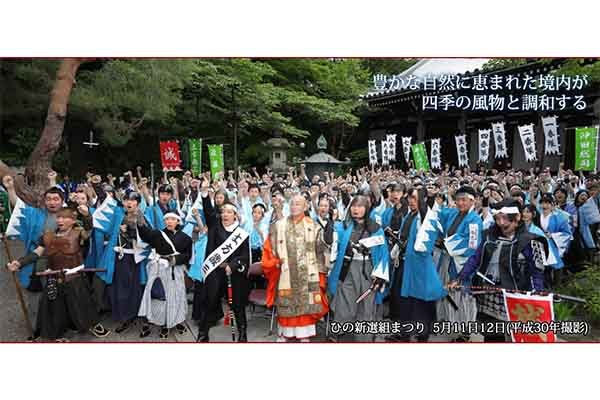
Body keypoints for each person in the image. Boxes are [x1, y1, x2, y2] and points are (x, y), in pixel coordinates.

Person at [449, 199, 547, 342]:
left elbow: (537, 272)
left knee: (516, 336)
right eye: (498, 218)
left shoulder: (531, 241)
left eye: (505, 219)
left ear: (517, 218)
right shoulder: (489, 236)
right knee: (491, 334)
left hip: (515, 295)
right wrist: (460, 277)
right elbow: (475, 259)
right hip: (489, 292)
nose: (501, 223)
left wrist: (536, 294)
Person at [6, 207, 110, 341]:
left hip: (75, 277)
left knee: (82, 304)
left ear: (72, 221)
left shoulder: (78, 234)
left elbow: (88, 231)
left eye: (65, 217)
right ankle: (56, 333)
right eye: (59, 217)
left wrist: (87, 216)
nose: (60, 220)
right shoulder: (48, 236)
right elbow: (37, 252)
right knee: (55, 308)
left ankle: (91, 324)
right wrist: (19, 263)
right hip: (54, 278)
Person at [262, 194, 329, 342]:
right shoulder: (279, 225)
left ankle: (304, 334)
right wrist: (274, 262)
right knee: (286, 302)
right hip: (285, 272)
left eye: (298, 204)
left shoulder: (314, 226)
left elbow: (320, 250)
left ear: (305, 207)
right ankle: (285, 333)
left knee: (306, 303)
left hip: (307, 272)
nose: (294, 207)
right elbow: (270, 247)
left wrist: (321, 271)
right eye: (292, 204)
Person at [194, 179, 251, 342]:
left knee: (238, 306)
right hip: (215, 272)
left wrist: (232, 265)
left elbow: (245, 257)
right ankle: (203, 333)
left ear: (235, 215)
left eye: (229, 212)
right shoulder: (215, 227)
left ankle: (242, 333)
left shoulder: (241, 234)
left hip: (233, 274)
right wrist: (205, 193)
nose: (225, 214)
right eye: (223, 211)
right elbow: (208, 212)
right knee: (209, 302)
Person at [387, 188, 446, 342]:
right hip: (404, 263)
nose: (411, 201)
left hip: (419, 266)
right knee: (403, 300)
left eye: (414, 198)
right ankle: (405, 332)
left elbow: (425, 242)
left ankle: (422, 334)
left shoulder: (427, 217)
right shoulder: (409, 215)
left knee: (420, 302)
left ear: (423, 199)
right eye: (409, 198)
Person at [328, 195, 389, 342]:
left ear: (367, 208)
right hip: (347, 270)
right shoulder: (343, 226)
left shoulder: (375, 228)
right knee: (343, 303)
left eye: (360, 206)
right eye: (354, 206)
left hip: (369, 271)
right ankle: (343, 338)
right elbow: (331, 242)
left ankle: (364, 341)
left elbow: (383, 254)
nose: (356, 209)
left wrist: (379, 277)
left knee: (366, 307)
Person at [97, 191, 149, 333]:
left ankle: (136, 315)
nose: (129, 203)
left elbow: (148, 237)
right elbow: (103, 225)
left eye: (132, 200)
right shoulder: (117, 214)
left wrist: (131, 230)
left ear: (138, 203)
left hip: (135, 259)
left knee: (134, 287)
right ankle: (122, 315)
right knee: (118, 287)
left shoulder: (142, 216)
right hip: (118, 257)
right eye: (126, 200)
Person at [137, 212, 192, 339]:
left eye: (173, 219)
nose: (169, 221)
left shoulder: (185, 238)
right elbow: (146, 235)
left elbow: (187, 255)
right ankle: (163, 324)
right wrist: (140, 222)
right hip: (159, 269)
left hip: (175, 270)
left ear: (178, 221)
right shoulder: (157, 234)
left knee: (177, 296)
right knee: (160, 297)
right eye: (167, 219)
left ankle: (176, 321)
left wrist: (173, 260)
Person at [4, 179, 65, 291]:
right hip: (37, 260)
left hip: (63, 264)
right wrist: (10, 189)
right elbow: (20, 208)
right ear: (44, 201)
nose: (52, 203)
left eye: (56, 199)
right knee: (38, 300)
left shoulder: (69, 218)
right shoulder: (36, 214)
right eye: (48, 199)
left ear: (62, 201)